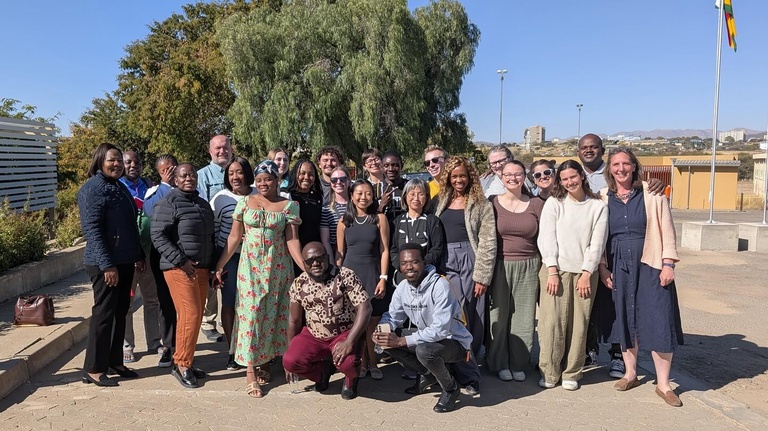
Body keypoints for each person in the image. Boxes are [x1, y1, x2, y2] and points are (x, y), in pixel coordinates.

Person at [598, 148, 684, 407]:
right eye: (616, 164)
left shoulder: (653, 193)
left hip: (651, 263)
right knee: (625, 318)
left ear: (635, 166)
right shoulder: (602, 197)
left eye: (626, 163)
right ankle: (630, 373)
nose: (621, 168)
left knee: (658, 318)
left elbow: (667, 230)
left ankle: (664, 384)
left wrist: (668, 264)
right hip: (617, 265)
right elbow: (599, 237)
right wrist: (603, 268)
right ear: (609, 169)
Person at [214, 160, 304, 398]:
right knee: (251, 315)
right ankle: (251, 372)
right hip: (250, 269)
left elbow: (292, 240)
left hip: (278, 269)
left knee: (273, 314)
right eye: (260, 179)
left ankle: (265, 361)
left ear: (277, 181)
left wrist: (304, 269)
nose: (263, 184)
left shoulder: (288, 206)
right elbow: (234, 237)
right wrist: (219, 265)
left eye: (269, 179)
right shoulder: (245, 203)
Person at [374, 243, 473, 413]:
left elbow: (440, 330)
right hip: (427, 338)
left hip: (453, 341)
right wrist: (381, 330)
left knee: (424, 350)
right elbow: (393, 317)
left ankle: (450, 388)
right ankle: (428, 375)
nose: (409, 267)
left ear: (423, 262)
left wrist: (402, 340)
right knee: (388, 340)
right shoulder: (403, 288)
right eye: (404, 263)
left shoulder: (440, 286)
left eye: (414, 262)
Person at [537, 160, 608, 391]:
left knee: (579, 324)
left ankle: (572, 372)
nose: (569, 182)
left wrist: (588, 272)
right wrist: (552, 271)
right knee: (552, 323)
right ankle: (550, 370)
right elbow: (547, 238)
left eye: (573, 177)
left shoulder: (598, 206)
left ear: (582, 176)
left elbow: (597, 242)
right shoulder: (555, 203)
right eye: (565, 179)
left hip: (585, 273)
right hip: (554, 271)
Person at [78, 143, 145, 387]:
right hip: (104, 264)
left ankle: (114, 362)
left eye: (120, 160)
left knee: (120, 313)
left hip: (124, 261)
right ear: (100, 161)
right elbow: (92, 230)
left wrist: (137, 255)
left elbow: (129, 226)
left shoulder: (117, 186)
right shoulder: (93, 189)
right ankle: (94, 368)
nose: (118, 164)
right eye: (112, 160)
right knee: (104, 315)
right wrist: (107, 265)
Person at [151, 164, 216, 389]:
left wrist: (213, 267)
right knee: (191, 313)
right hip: (178, 268)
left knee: (195, 317)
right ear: (175, 180)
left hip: (201, 268)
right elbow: (157, 235)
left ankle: (183, 359)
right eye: (183, 175)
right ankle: (182, 365)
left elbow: (210, 238)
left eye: (192, 175)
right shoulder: (168, 203)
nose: (189, 178)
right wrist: (180, 260)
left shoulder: (203, 204)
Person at [283, 242, 372, 400]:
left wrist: (349, 341)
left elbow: (365, 308)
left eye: (320, 258)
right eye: (310, 261)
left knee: (349, 364)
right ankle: (322, 372)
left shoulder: (345, 275)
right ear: (304, 263)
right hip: (314, 335)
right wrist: (289, 356)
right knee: (290, 361)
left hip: (343, 333)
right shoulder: (299, 283)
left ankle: (351, 379)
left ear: (328, 257)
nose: (315, 263)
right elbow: (294, 321)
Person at [487, 160, 544, 383]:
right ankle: (499, 363)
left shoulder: (536, 204)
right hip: (500, 264)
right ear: (501, 177)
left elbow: (545, 237)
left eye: (518, 174)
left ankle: (519, 362)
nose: (512, 178)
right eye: (508, 174)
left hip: (529, 265)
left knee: (523, 316)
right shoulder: (492, 203)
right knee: (499, 317)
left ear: (524, 176)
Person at [433, 157, 496, 359]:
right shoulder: (441, 200)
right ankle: (454, 352)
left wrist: (482, 276)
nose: (459, 180)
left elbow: (488, 240)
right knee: (452, 305)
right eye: (454, 176)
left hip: (470, 256)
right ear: (448, 178)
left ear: (470, 177)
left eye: (463, 176)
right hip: (445, 258)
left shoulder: (480, 203)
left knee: (473, 307)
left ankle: (471, 355)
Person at [337, 179, 390, 381]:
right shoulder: (344, 221)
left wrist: (383, 278)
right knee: (354, 323)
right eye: (359, 193)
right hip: (350, 276)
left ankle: (373, 363)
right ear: (352, 195)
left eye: (368, 193)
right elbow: (340, 252)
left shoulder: (379, 218)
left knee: (372, 323)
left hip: (372, 274)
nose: (363, 197)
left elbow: (384, 250)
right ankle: (359, 363)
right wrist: (338, 279)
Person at [210, 157, 257, 371]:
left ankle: (254, 349)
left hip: (256, 258)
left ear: (247, 173)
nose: (235, 177)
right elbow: (215, 229)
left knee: (252, 304)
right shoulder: (219, 198)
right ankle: (232, 351)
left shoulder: (258, 195)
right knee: (229, 302)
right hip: (229, 257)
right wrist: (217, 264)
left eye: (239, 172)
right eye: (231, 173)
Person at [119, 150, 160, 364]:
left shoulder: (149, 185)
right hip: (127, 254)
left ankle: (154, 341)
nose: (133, 165)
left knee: (152, 299)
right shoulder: (118, 187)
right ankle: (127, 345)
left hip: (149, 251)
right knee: (127, 302)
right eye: (128, 162)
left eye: (137, 161)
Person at [142, 154, 180, 368]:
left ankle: (184, 347)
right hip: (162, 254)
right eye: (166, 170)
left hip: (184, 254)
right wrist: (165, 184)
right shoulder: (154, 192)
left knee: (183, 303)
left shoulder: (189, 186)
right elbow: (150, 210)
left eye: (173, 168)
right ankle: (168, 346)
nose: (171, 173)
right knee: (165, 302)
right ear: (159, 173)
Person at [198, 135, 233, 343]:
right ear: (210, 151)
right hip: (211, 236)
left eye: (226, 147)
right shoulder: (202, 175)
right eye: (218, 148)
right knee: (212, 282)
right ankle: (208, 323)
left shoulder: (236, 171)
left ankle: (228, 319)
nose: (222, 151)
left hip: (234, 236)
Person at [389, 178, 446, 286]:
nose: (416, 198)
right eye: (412, 194)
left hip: (426, 275)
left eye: (420, 194)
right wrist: (401, 266)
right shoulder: (396, 222)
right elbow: (393, 249)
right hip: (402, 277)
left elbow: (437, 249)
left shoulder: (433, 221)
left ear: (426, 197)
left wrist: (421, 266)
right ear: (405, 196)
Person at [283, 158, 324, 276]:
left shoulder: (318, 198)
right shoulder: (286, 196)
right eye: (302, 173)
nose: (306, 177)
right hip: (290, 253)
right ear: (295, 174)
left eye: (311, 174)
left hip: (313, 253)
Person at [320, 167, 350, 261]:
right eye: (334, 180)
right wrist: (332, 264)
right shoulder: (326, 209)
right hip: (336, 254)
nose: (338, 182)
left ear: (349, 181)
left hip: (354, 253)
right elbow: (326, 241)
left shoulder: (358, 206)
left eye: (342, 179)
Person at [379, 150, 406, 222]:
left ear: (401, 166)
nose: (390, 169)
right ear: (381, 167)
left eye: (395, 165)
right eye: (386, 166)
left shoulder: (409, 187)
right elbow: (371, 218)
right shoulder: (375, 189)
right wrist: (382, 205)